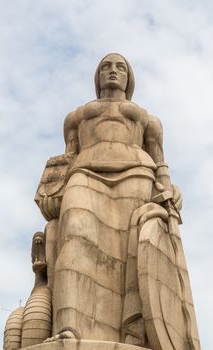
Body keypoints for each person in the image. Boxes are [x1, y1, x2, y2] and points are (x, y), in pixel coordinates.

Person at [45, 53, 181, 347]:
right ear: (97, 77)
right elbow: (66, 159)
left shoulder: (146, 118)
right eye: (106, 67)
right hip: (85, 174)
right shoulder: (78, 116)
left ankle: (134, 332)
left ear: (129, 77)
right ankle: (69, 327)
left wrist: (169, 191)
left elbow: (161, 163)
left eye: (120, 67)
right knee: (75, 238)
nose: (113, 71)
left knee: (131, 253)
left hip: (136, 176)